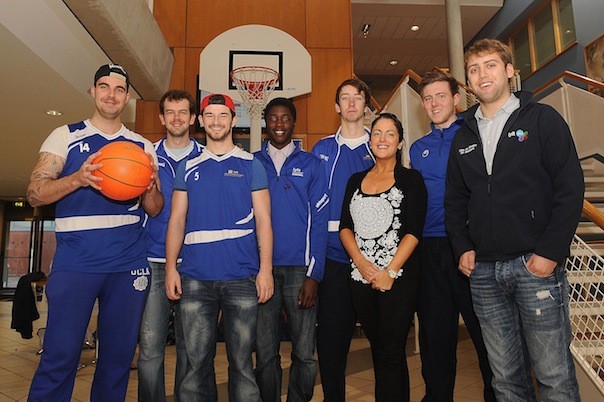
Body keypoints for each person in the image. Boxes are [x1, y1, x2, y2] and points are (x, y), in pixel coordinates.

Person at [445, 38, 584, 401]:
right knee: (506, 382)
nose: (482, 75)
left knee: (554, 378)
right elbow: (455, 201)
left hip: (534, 266)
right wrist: (463, 248)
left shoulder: (542, 119)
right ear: (468, 82)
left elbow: (569, 188)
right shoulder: (462, 137)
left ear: (509, 71)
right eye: (474, 70)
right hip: (485, 275)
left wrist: (550, 252)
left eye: (490, 65)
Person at [26, 64, 164, 401]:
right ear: (92, 91)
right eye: (104, 86)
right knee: (61, 355)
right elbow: (34, 193)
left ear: (127, 97)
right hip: (77, 262)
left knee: (117, 359)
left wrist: (148, 190)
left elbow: (156, 208)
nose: (111, 95)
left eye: (119, 89)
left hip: (128, 262)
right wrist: (77, 178)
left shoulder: (142, 147)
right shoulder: (66, 135)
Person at [164, 94, 274, 402]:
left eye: (222, 115)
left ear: (233, 119)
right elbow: (176, 219)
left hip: (242, 278)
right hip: (196, 278)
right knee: (195, 366)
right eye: (209, 115)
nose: (215, 121)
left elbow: (264, 221)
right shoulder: (187, 166)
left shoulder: (252, 164)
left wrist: (265, 270)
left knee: (242, 365)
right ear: (200, 121)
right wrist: (171, 267)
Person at [409, 71, 495, 402]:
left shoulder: (477, 135)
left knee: (485, 334)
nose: (434, 103)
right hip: (430, 250)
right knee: (435, 337)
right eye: (428, 98)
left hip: (472, 248)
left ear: (456, 99)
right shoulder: (418, 149)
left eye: (441, 96)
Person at [340, 112, 427, 401]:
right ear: (369, 140)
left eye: (390, 134)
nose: (382, 139)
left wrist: (388, 272)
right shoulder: (355, 180)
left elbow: (414, 231)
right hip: (360, 278)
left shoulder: (411, 180)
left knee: (391, 348)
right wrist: (363, 265)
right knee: (381, 351)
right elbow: (345, 228)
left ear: (400, 142)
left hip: (397, 279)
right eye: (377, 133)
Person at [254, 98, 329, 402]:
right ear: (266, 123)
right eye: (273, 118)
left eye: (285, 118)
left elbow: (320, 221)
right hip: (263, 269)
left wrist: (315, 274)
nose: (279, 124)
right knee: (266, 352)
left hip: (301, 270)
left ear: (294, 122)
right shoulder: (252, 163)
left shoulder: (312, 164)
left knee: (304, 352)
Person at [311, 78, 375, 401]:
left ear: (366, 105)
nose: (351, 103)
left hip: (373, 262)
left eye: (357, 98)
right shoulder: (321, 150)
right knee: (332, 345)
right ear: (337, 106)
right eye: (345, 98)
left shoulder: (377, 147)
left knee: (384, 346)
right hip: (334, 260)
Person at [138, 89, 203, 402]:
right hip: (152, 260)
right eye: (170, 112)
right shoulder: (144, 155)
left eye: (183, 112)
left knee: (191, 348)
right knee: (150, 347)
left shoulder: (205, 158)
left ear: (192, 118)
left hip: (193, 263)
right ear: (161, 117)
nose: (177, 118)